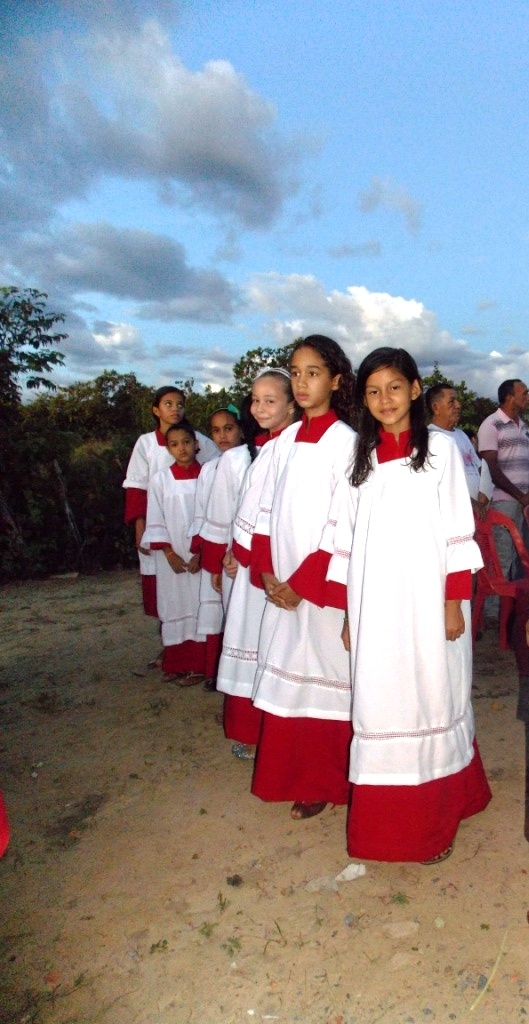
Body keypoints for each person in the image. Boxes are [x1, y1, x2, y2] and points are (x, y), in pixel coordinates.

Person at [322, 346, 491, 863]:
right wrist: (349, 613)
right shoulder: (359, 458)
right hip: (375, 608)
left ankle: (438, 818)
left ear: (416, 390)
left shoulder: (438, 450)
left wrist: (454, 602)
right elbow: (343, 542)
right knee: (383, 704)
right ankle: (386, 829)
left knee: (433, 697)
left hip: (428, 603)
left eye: (394, 387)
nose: (384, 399)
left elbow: (458, 533)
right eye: (373, 391)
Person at [250, 335, 357, 820]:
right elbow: (266, 508)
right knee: (293, 680)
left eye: (313, 372)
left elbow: (344, 524)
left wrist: (303, 583)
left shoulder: (349, 444)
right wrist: (268, 569)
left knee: (327, 680)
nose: (302, 381)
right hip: (283, 583)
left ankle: (327, 781)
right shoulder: (285, 440)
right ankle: (294, 775)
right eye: (296, 372)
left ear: (336, 380)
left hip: (321, 586)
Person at [216, 369, 297, 759]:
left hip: (274, 566)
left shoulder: (291, 447)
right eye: (255, 400)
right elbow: (249, 506)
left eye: (271, 400)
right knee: (250, 638)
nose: (260, 407)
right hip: (250, 560)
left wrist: (248, 553)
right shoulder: (264, 447)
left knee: (270, 645)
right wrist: (235, 548)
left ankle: (268, 732)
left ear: (291, 403)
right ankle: (252, 728)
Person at [123, 387, 219, 665]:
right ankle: (172, 649)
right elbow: (138, 487)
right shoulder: (146, 443)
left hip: (197, 531)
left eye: (179, 404)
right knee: (167, 593)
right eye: (168, 404)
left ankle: (204, 653)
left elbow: (219, 471)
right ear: (156, 410)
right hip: (162, 528)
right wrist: (141, 529)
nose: (175, 409)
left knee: (200, 596)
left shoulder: (199, 439)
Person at [141, 423, 206, 685]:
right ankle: (177, 662)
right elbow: (155, 518)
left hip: (200, 558)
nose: (182, 448)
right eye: (175, 444)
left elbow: (214, 516)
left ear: (197, 443)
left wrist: (202, 553)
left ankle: (200, 665)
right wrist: (169, 553)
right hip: (172, 559)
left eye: (187, 442)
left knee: (201, 608)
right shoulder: (160, 480)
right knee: (175, 605)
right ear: (168, 448)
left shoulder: (209, 476)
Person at [190, 408, 245, 691]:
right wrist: (207, 556)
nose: (222, 436)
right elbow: (203, 514)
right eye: (215, 430)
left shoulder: (248, 462)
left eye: (228, 428)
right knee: (218, 612)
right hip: (217, 551)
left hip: (239, 550)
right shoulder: (209, 469)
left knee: (240, 614)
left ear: (240, 429)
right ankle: (216, 671)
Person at [478, 379, 529, 586]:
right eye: (524, 393)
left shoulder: (524, 426)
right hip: (505, 502)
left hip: (524, 503)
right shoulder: (491, 424)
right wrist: (521, 497)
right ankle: (492, 614)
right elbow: (492, 469)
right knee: (502, 559)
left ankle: (516, 613)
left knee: (521, 559)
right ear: (509, 397)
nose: (527, 397)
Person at [426, 383, 485, 510]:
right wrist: (471, 503)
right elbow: (442, 483)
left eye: (457, 401)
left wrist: (484, 492)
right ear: (436, 408)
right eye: (451, 402)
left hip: (478, 512)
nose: (458, 405)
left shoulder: (461, 435)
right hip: (454, 513)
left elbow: (478, 467)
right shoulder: (430, 439)